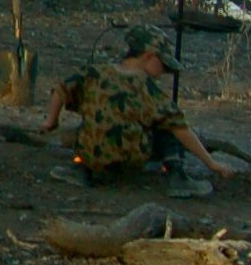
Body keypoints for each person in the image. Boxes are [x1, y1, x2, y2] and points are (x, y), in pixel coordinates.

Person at [42, 26, 233, 197]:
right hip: (131, 159)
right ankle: (177, 176)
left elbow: (60, 89)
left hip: (94, 155)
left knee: (91, 121)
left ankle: (81, 169)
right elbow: (180, 128)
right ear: (148, 56)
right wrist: (211, 163)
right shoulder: (147, 88)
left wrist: (51, 120)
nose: (163, 72)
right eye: (163, 65)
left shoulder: (94, 73)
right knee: (167, 124)